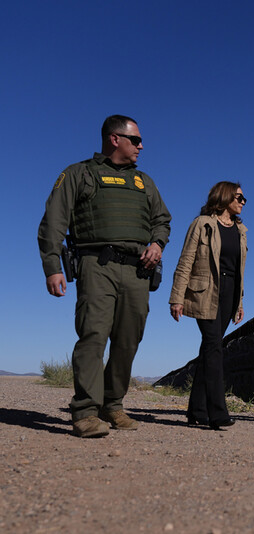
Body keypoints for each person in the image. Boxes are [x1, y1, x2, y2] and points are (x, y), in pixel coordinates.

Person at [37, 114, 171, 438]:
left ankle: (112, 405)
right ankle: (84, 411)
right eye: (135, 140)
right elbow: (53, 221)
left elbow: (162, 220)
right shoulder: (79, 173)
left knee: (128, 340)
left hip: (138, 271)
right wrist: (52, 266)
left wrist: (157, 243)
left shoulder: (144, 182)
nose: (141, 145)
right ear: (115, 139)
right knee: (93, 335)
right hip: (97, 265)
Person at [169, 182, 247, 430]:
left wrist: (240, 302)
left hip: (230, 293)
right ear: (224, 197)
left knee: (209, 348)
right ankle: (217, 412)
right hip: (205, 291)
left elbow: (239, 270)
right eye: (239, 197)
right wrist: (176, 297)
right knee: (214, 347)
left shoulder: (240, 230)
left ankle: (197, 409)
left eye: (244, 199)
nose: (243, 202)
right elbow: (186, 261)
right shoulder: (202, 224)